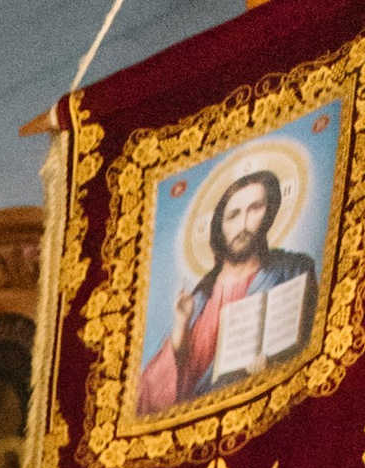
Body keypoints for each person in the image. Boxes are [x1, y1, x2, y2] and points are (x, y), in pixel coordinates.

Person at [137, 163, 323, 415]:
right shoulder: (201, 295)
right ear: (220, 226)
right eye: (233, 215)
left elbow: (311, 344)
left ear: (269, 213)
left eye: (255, 208)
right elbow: (170, 384)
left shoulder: (292, 270)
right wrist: (181, 325)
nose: (244, 224)